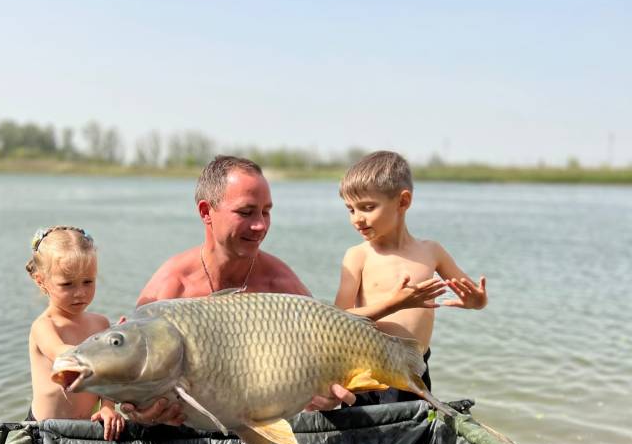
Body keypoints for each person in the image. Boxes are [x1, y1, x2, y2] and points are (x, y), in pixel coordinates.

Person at [125, 155, 359, 426]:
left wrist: (329, 398)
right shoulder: (171, 287)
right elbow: (126, 382)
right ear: (205, 212)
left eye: (266, 211)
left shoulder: (281, 286)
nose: (260, 225)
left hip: (263, 431)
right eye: (246, 212)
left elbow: (329, 369)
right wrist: (138, 413)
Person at [334, 151, 488, 403]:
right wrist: (395, 303)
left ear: (403, 202)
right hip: (369, 372)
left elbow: (473, 298)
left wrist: (476, 301)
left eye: (367, 208)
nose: (356, 219)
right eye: (350, 209)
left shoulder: (431, 251)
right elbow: (338, 320)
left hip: (416, 369)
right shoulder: (358, 256)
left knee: (414, 431)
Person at [25, 225, 125, 440]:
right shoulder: (44, 326)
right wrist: (107, 348)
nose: (80, 293)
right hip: (45, 432)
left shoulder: (100, 323)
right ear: (41, 281)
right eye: (67, 284)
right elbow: (63, 353)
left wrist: (108, 406)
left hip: (84, 431)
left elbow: (107, 378)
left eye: (88, 282)